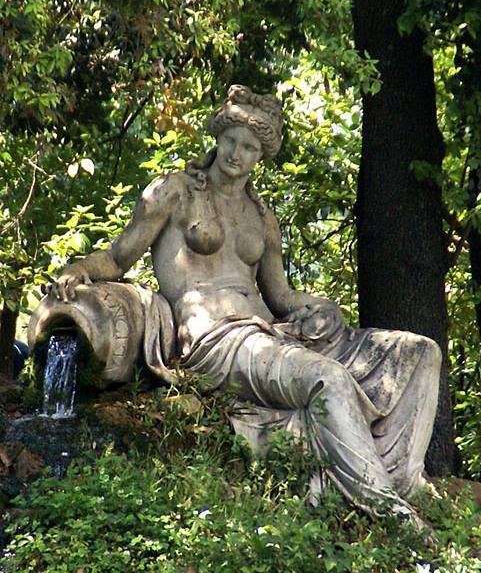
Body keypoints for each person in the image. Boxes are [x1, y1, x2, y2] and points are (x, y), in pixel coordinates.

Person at [52, 85, 440, 522]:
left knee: (419, 352)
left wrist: (318, 304)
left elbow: (280, 295)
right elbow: (120, 256)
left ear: (261, 156)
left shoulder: (261, 215)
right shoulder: (175, 191)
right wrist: (81, 269)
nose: (238, 153)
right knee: (327, 380)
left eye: (250, 147)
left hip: (268, 334)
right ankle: (387, 512)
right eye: (232, 140)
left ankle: (397, 477)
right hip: (214, 338)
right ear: (218, 138)